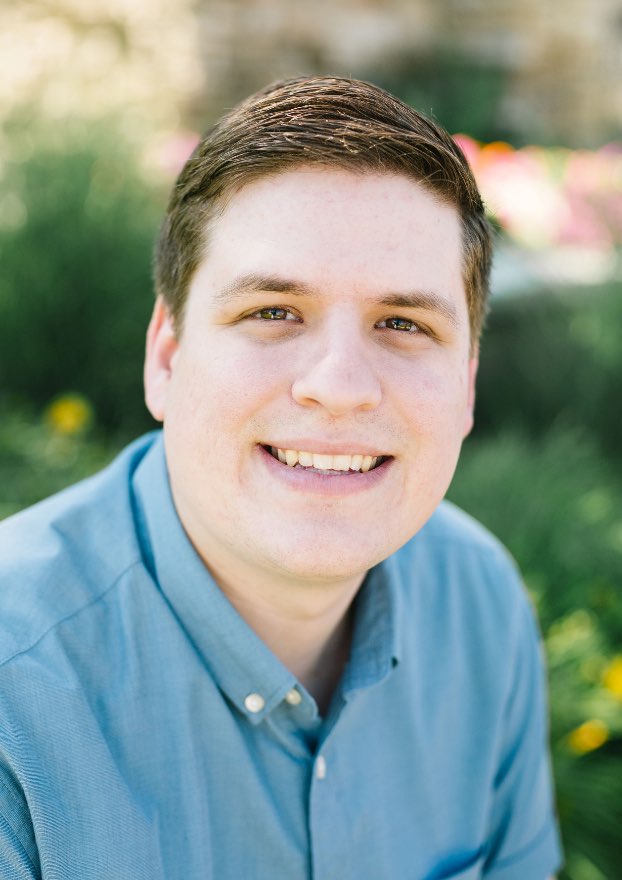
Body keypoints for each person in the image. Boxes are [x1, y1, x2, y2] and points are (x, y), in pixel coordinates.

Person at [0, 76, 562, 879]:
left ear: (466, 386)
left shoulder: (481, 608)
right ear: (168, 355)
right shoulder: (12, 701)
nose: (339, 384)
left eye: (403, 324)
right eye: (273, 312)